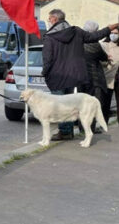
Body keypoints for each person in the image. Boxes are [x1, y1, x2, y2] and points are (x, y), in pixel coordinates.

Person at [42, 9, 119, 140]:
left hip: (58, 75)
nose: (49, 22)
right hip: (75, 75)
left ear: (54, 19)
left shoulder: (50, 37)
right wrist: (109, 28)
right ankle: (67, 131)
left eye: (49, 19)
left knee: (60, 104)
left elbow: (48, 59)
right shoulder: (76, 31)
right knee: (69, 104)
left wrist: (45, 73)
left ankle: (65, 131)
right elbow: (94, 37)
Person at [80, 21, 110, 133]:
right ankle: (90, 129)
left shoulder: (78, 43)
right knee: (94, 104)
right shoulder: (95, 45)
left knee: (81, 105)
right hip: (95, 79)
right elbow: (104, 57)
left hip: (81, 78)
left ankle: (82, 128)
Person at [102, 30, 119, 122]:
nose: (113, 35)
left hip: (117, 75)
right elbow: (101, 60)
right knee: (105, 102)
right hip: (108, 76)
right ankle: (104, 122)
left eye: (116, 33)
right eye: (112, 33)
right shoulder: (104, 45)